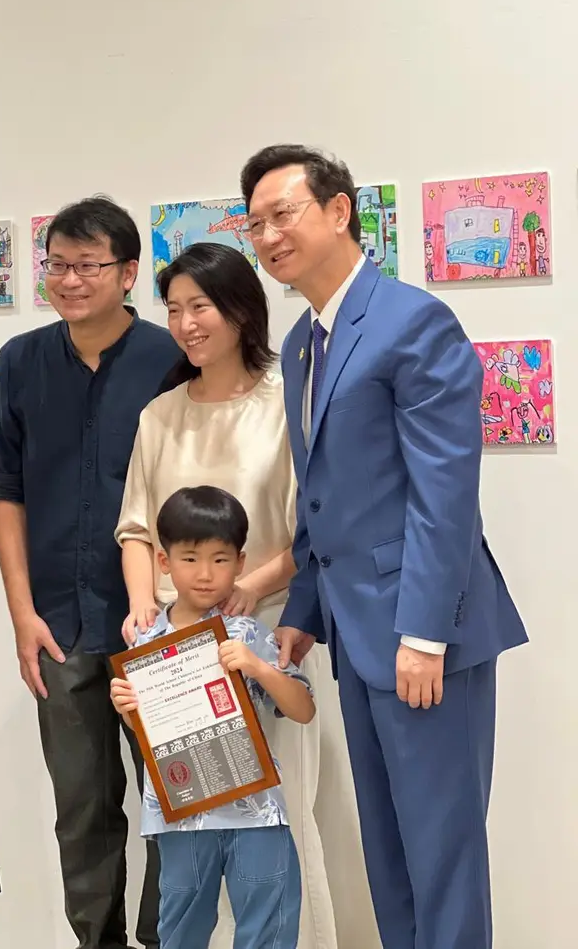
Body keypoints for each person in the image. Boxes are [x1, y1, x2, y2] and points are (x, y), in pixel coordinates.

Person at [240, 144, 529, 949]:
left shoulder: (412, 320)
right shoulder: (302, 343)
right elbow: (320, 499)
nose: (267, 236)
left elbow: (445, 494)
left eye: (283, 213)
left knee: (442, 857)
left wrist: (424, 632)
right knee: (389, 858)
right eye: (255, 223)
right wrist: (302, 608)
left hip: (423, 636)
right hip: (356, 638)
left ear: (339, 212)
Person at [115, 242, 337, 947]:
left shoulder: (287, 402)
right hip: (171, 648)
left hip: (267, 629)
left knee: (279, 825)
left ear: (241, 309)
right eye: (174, 308)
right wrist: (141, 608)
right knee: (189, 826)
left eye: (200, 306)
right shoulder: (160, 415)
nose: (185, 323)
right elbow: (135, 528)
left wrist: (246, 587)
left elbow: (312, 526)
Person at [0, 196, 181, 949]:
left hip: (158, 619)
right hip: (59, 622)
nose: (69, 279)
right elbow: (8, 490)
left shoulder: (171, 356)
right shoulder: (22, 360)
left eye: (88, 265)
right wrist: (20, 612)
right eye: (58, 264)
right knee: (82, 805)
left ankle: (165, 938)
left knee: (177, 799)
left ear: (128, 272)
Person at [111, 485, 314, 949]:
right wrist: (127, 708)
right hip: (180, 816)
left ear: (241, 563)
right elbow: (147, 737)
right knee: (180, 932)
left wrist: (259, 666)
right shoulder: (145, 643)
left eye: (220, 560)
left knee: (269, 929)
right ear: (164, 562)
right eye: (189, 558)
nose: (205, 574)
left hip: (257, 813)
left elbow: (302, 709)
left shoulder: (247, 633)